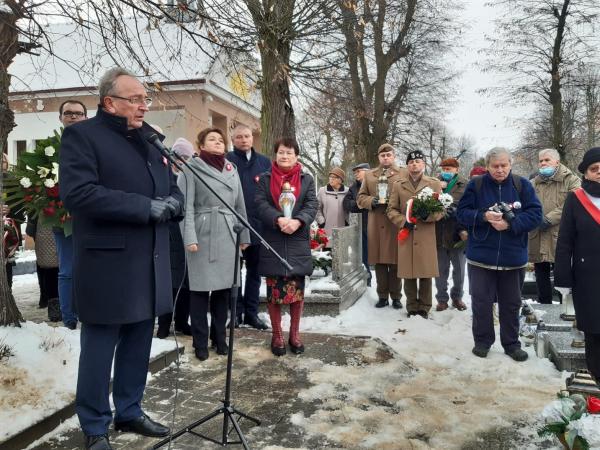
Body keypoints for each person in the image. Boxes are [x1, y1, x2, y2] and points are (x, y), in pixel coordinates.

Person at [60, 67, 183, 450]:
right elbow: (79, 194)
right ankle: (95, 425)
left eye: (145, 99)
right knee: (99, 349)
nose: (143, 105)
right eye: (135, 99)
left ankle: (129, 409)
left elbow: (171, 187)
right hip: (107, 265)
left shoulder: (149, 140)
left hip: (148, 261)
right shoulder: (82, 136)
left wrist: (175, 202)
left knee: (138, 343)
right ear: (109, 102)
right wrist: (145, 207)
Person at [457, 147, 542, 362]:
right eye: (495, 166)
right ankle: (483, 341)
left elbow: (535, 215)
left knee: (511, 303)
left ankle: (512, 344)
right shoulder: (476, 185)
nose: (500, 170)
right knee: (481, 302)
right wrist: (483, 216)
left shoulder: (522, 185)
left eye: (504, 165)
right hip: (481, 258)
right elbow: (461, 213)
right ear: (487, 167)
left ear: (510, 165)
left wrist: (511, 224)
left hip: (512, 258)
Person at [179, 127, 250, 361]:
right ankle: (200, 342)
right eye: (212, 139)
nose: (218, 142)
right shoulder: (191, 168)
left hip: (229, 234)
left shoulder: (232, 168)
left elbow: (240, 205)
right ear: (201, 144)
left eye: (221, 140)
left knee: (223, 291)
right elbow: (185, 206)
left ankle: (220, 337)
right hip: (202, 233)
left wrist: (245, 237)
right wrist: (189, 237)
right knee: (199, 293)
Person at [255, 137, 318, 356]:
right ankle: (277, 335)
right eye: (281, 152)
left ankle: (294, 334)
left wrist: (299, 220)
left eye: (289, 153)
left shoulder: (306, 179)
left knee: (296, 293)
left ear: (296, 156)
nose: (284, 156)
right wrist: (277, 219)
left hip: (297, 239)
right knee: (274, 292)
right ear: (276, 154)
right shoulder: (264, 179)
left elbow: (312, 204)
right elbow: (260, 203)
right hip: (273, 238)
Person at [555, 147, 600, 385]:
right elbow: (565, 241)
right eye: (595, 169)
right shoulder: (576, 199)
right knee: (594, 330)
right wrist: (563, 278)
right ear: (586, 173)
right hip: (588, 278)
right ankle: (596, 378)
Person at [225, 124, 271, 330]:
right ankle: (235, 313)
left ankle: (252, 313)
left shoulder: (264, 162)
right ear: (232, 139)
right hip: (232, 225)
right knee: (233, 272)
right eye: (239, 137)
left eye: (247, 136)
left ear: (252, 138)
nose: (244, 140)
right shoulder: (226, 161)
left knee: (254, 271)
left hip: (257, 225)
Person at [387, 151, 443, 318]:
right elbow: (391, 209)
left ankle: (425, 306)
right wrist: (403, 221)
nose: (414, 165)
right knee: (408, 272)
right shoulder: (398, 184)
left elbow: (441, 210)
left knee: (425, 272)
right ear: (407, 165)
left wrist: (428, 216)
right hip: (406, 232)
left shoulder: (434, 184)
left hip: (426, 234)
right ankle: (411, 306)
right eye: (411, 162)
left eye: (418, 161)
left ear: (423, 165)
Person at [357, 144, 407, 309]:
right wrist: (372, 201)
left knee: (396, 262)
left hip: (395, 223)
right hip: (376, 223)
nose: (386, 157)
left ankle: (396, 297)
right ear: (378, 157)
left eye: (389, 155)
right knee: (379, 262)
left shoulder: (403, 173)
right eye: (383, 155)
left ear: (394, 156)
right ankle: (382, 296)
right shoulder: (370, 175)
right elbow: (360, 198)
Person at [528, 148, 580, 304]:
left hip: (561, 235)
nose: (543, 163)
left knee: (563, 274)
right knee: (541, 273)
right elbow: (526, 204)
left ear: (557, 162)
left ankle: (566, 309)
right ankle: (544, 306)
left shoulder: (572, 180)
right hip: (538, 234)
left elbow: (573, 203)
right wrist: (536, 218)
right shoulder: (532, 183)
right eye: (541, 161)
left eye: (547, 160)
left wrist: (549, 219)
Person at [53, 99, 88, 329]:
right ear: (61, 118)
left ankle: (88, 312)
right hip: (61, 219)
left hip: (89, 218)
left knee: (89, 269)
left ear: (86, 116)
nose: (73, 117)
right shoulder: (52, 147)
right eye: (68, 113)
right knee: (67, 270)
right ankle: (69, 318)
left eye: (78, 113)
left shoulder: (92, 144)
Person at [156, 138, 195, 339]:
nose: (181, 162)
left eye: (186, 157)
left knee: (186, 282)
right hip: (170, 233)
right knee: (170, 282)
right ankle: (164, 323)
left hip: (188, 232)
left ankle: (182, 321)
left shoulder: (192, 176)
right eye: (178, 157)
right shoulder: (165, 175)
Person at [434, 158, 468, 312]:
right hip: (439, 232)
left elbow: (468, 206)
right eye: (444, 169)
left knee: (459, 270)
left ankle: (457, 297)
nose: (446, 172)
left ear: (457, 170)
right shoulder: (434, 182)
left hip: (457, 233)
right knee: (440, 270)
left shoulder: (465, 184)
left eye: (449, 169)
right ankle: (442, 299)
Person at [342, 162, 372, 286]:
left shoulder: (375, 184)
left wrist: (365, 203)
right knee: (363, 255)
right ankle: (368, 280)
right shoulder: (353, 187)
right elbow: (346, 203)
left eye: (358, 171)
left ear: (367, 171)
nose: (356, 174)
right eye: (355, 172)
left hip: (377, 226)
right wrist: (359, 204)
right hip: (363, 226)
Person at [316, 167, 349, 241]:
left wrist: (347, 221)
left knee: (342, 249)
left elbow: (351, 209)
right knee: (328, 249)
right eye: (330, 177)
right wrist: (321, 222)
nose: (331, 179)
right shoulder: (322, 191)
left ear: (341, 180)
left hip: (344, 228)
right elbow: (316, 208)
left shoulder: (348, 191)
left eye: (334, 177)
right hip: (326, 228)